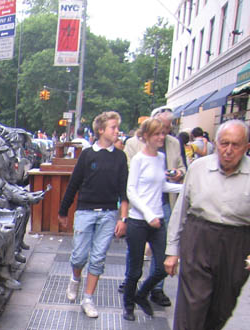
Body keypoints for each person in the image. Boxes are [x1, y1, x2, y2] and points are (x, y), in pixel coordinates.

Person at [164, 120, 250, 330]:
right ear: (216, 144)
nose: (228, 151)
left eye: (235, 145)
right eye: (224, 143)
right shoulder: (200, 169)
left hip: (238, 242)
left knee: (223, 305)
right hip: (199, 235)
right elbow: (181, 210)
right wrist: (172, 250)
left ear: (246, 148)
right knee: (194, 302)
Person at [58, 111, 128, 318]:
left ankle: (88, 298)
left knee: (98, 258)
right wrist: (63, 211)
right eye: (113, 127)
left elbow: (124, 190)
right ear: (101, 130)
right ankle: (75, 278)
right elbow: (74, 184)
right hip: (86, 211)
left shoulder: (120, 157)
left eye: (117, 127)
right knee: (79, 256)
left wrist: (123, 219)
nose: (117, 131)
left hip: (108, 213)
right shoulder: (88, 155)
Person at [122, 107, 185, 306]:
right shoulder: (139, 158)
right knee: (135, 269)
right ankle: (129, 304)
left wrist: (184, 188)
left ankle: (143, 294)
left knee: (161, 267)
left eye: (164, 132)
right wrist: (148, 214)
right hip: (139, 220)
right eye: (157, 133)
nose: (162, 136)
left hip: (159, 216)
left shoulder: (161, 158)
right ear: (146, 136)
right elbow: (131, 190)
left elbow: (162, 184)